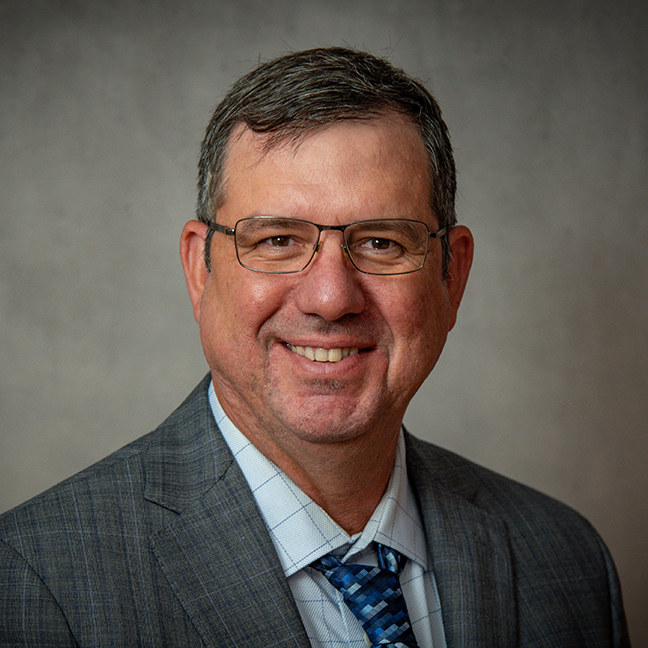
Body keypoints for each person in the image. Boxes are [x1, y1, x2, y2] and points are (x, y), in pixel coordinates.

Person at [0, 47, 629, 647]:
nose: (331, 298)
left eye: (382, 242)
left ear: (452, 277)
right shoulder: (34, 580)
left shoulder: (565, 560)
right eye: (277, 240)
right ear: (199, 269)